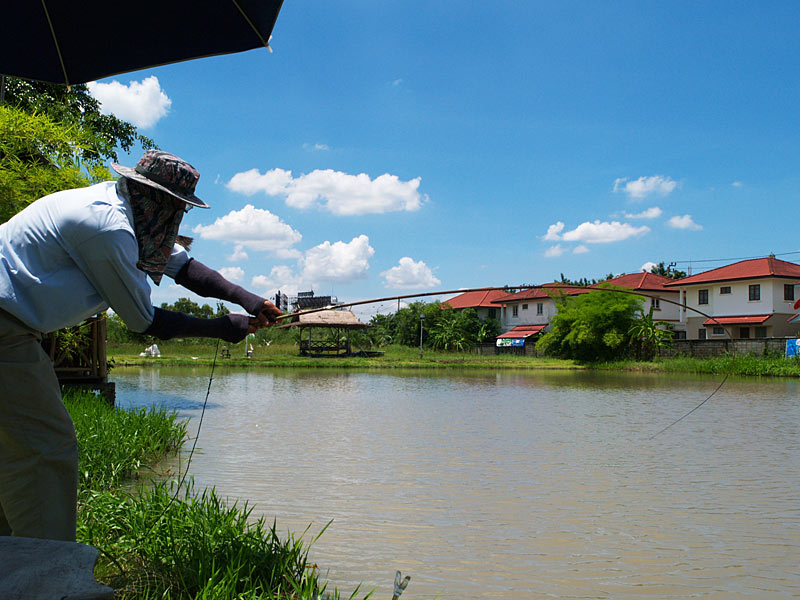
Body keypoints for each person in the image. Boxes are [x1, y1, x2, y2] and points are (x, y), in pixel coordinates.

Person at [0, 150, 282, 542]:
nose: (178, 218)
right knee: (45, 446)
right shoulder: (106, 227)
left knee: (13, 446)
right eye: (176, 207)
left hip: (13, 326)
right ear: (152, 197)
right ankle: (47, 570)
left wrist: (248, 299)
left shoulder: (131, 213)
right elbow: (143, 319)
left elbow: (184, 267)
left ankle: (13, 557)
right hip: (4, 325)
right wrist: (222, 327)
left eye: (182, 210)